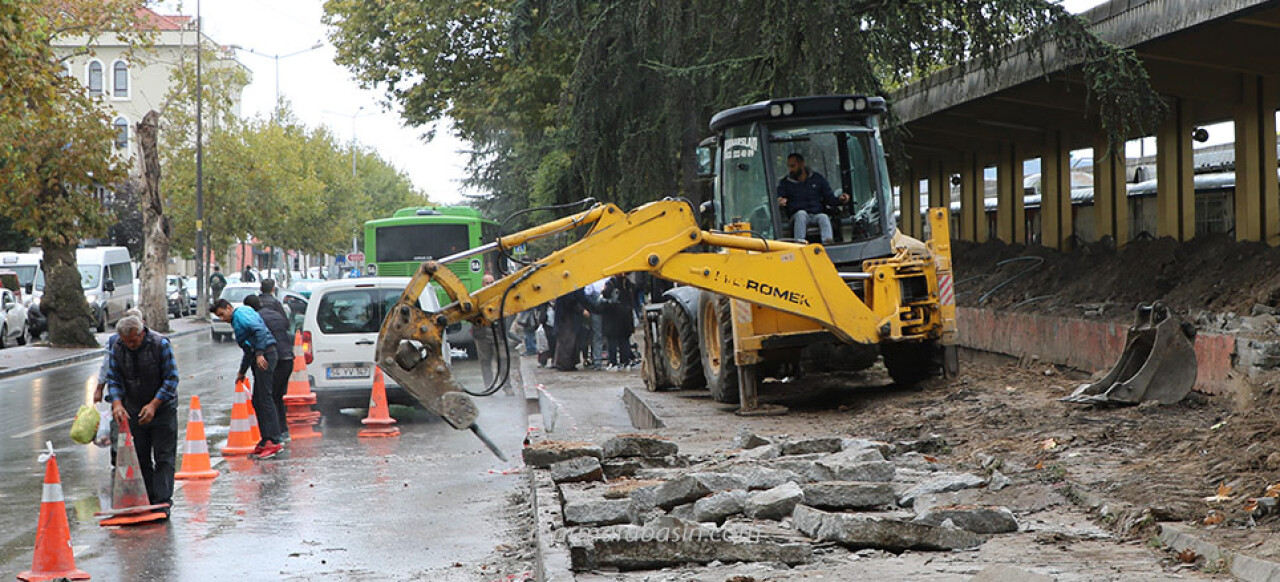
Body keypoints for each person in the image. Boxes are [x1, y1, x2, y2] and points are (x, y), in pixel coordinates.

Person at [104, 315, 179, 517]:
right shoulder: (118, 347)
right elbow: (113, 377)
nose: (130, 345)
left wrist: (154, 404)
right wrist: (117, 403)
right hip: (134, 408)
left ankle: (163, 502)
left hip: (162, 408)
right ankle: (148, 499)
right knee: (140, 456)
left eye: (133, 341)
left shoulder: (159, 344)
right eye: (126, 342)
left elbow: (171, 379)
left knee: (164, 456)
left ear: (141, 332)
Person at [213, 298, 284, 459]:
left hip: (266, 354)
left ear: (229, 308)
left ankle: (273, 440)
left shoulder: (241, 315)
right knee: (257, 400)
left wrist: (260, 354)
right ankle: (265, 438)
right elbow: (247, 349)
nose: (223, 319)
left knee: (265, 398)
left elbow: (259, 331)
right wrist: (242, 372)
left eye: (223, 314)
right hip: (259, 355)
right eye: (219, 316)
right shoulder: (237, 320)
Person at [93, 308, 145, 468]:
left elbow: (106, 367)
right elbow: (108, 367)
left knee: (121, 425)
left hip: (128, 395)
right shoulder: (117, 342)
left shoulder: (148, 341)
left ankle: (120, 458)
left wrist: (100, 388)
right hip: (124, 394)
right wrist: (100, 389)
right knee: (122, 423)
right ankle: (122, 458)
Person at [245, 294, 293, 442]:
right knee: (277, 397)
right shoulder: (276, 314)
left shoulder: (255, 319)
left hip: (273, 358)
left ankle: (272, 435)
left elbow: (256, 340)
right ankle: (283, 431)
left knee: (265, 399)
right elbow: (287, 328)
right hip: (288, 358)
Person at [776, 153, 848, 245]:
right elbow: (779, 197)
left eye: (793, 166)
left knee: (824, 217)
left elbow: (830, 198)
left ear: (801, 164)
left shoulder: (818, 179)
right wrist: (780, 201)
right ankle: (799, 245)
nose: (790, 169)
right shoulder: (785, 183)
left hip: (816, 214)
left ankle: (828, 244)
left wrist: (841, 199)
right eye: (789, 167)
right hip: (796, 216)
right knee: (801, 215)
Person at [470, 274, 524, 395]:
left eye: (492, 282)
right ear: (483, 284)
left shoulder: (500, 296)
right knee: (485, 362)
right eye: (487, 283)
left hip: (498, 335)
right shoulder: (477, 297)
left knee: (503, 361)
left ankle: (507, 386)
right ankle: (489, 387)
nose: (489, 285)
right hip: (482, 335)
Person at [601, 274, 637, 369]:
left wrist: (603, 290)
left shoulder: (612, 283)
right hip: (626, 315)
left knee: (612, 340)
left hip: (613, 315)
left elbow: (605, 294)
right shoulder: (628, 284)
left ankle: (613, 363)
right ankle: (625, 362)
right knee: (624, 340)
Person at [553, 288, 588, 371]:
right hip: (568, 316)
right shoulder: (569, 287)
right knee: (567, 340)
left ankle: (569, 363)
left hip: (568, 315)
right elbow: (570, 301)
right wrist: (581, 310)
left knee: (571, 340)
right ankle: (564, 364)